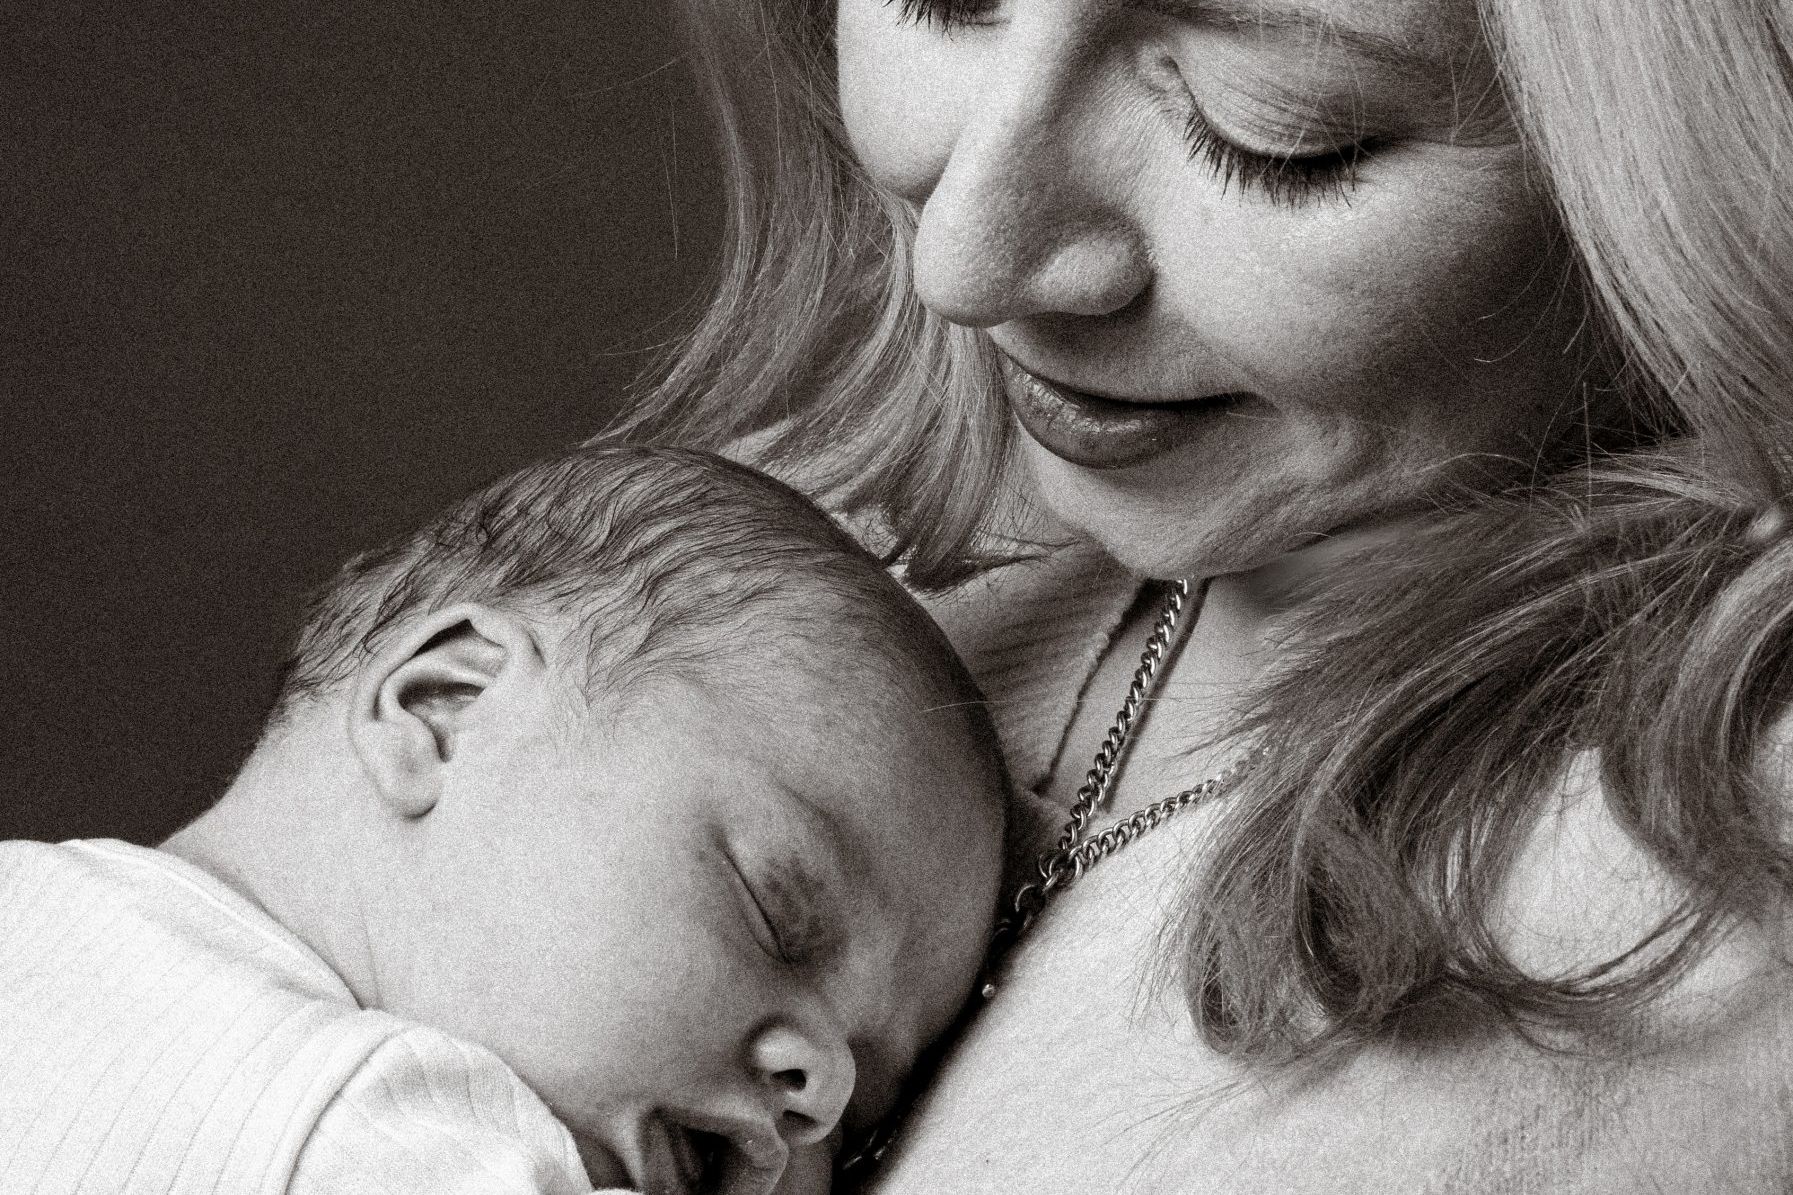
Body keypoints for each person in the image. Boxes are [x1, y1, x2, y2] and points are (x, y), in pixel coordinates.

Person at [616, 0, 1793, 1189]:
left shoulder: (1728, 908)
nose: (962, 259)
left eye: (1275, 130)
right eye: (942, 0)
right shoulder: (727, 565)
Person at [0, 445, 1006, 1195]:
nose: (820, 1087)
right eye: (774, 914)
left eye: (865, 1113)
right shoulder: (390, 1132)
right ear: (442, 707)